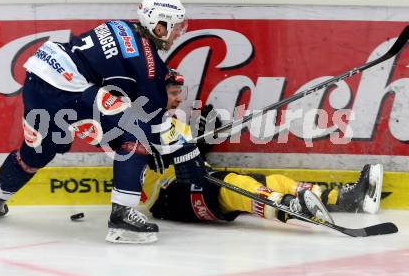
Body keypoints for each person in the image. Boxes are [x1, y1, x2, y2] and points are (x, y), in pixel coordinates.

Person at [0, 0, 189, 244]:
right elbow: (151, 116)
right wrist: (178, 150)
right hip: (65, 91)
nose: (178, 33)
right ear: (159, 26)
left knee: (38, 151)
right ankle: (123, 217)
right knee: (135, 131)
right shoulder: (146, 62)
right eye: (176, 26)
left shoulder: (120, 25)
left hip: (37, 82)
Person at [140, 71, 383, 228]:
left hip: (191, 180)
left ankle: (346, 200)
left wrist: (202, 142)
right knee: (236, 186)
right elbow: (157, 161)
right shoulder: (141, 122)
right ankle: (291, 207)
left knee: (275, 180)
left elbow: (187, 160)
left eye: (179, 94)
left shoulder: (176, 124)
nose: (178, 99)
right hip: (166, 197)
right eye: (173, 94)